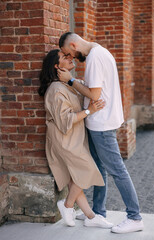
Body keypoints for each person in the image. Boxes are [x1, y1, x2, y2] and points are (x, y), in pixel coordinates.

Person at [57, 32, 144, 234]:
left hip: (101, 124)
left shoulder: (95, 57)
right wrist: (78, 81)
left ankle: (135, 217)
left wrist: (70, 81)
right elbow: (98, 88)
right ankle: (98, 212)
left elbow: (95, 94)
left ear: (73, 44)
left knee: (117, 170)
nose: (70, 57)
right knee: (98, 169)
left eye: (67, 52)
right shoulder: (101, 51)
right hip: (101, 121)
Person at [38, 49, 114, 229]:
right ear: (57, 66)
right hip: (64, 139)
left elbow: (88, 88)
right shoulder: (56, 90)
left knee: (76, 178)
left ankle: (90, 216)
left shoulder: (66, 84)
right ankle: (67, 205)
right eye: (66, 57)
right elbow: (65, 120)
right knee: (87, 170)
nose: (71, 58)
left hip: (73, 138)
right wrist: (90, 111)